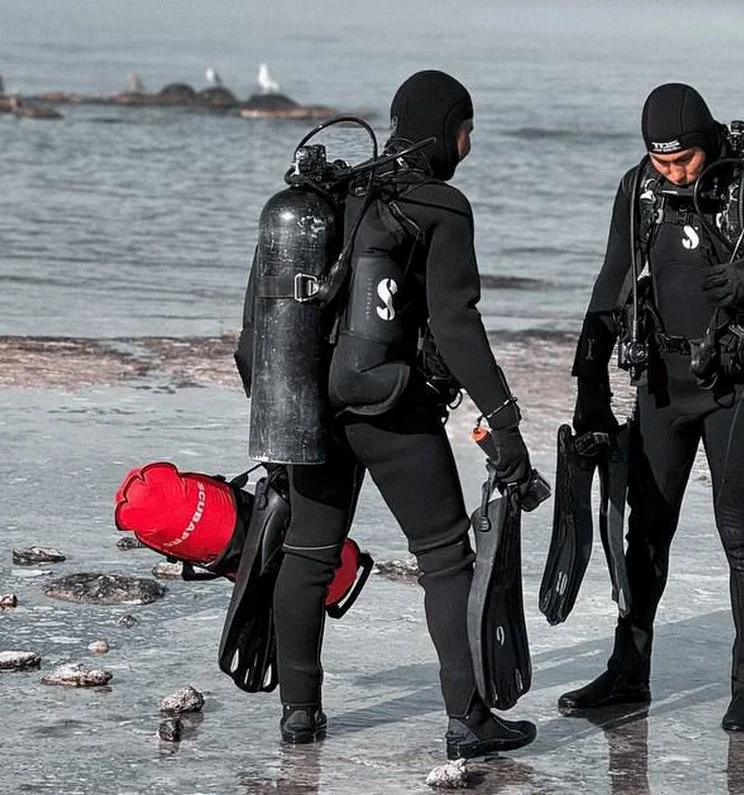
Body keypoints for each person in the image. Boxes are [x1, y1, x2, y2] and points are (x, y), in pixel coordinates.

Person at [234, 69, 537, 757]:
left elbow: (256, 326)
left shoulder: (331, 194)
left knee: (308, 553)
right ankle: (468, 718)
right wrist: (504, 420)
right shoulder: (439, 204)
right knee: (443, 558)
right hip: (388, 407)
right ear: (447, 129)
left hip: (305, 401)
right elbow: (457, 324)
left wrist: (274, 412)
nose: (469, 144)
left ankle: (300, 714)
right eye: (467, 130)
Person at [559, 83, 744, 731]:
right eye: (660, 161)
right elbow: (611, 281)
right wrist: (589, 379)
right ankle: (628, 672)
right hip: (661, 382)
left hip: (736, 384)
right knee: (647, 531)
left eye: (683, 160)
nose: (672, 173)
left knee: (740, 533)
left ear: (708, 140)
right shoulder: (639, 189)